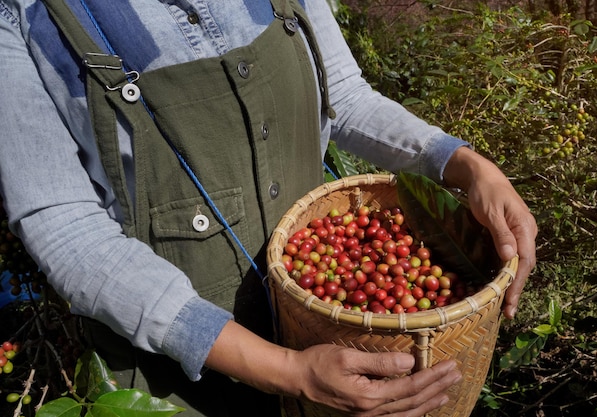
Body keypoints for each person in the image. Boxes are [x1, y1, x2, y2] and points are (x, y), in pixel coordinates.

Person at [0, 0, 537, 416]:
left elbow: (343, 97)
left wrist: (464, 165)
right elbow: (67, 230)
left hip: (340, 334)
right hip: (185, 378)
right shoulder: (20, 18)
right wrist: (289, 372)